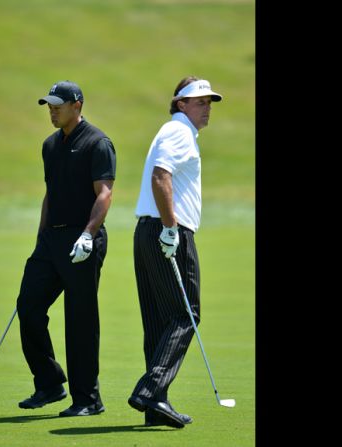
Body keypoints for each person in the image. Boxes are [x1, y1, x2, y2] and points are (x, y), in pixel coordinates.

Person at [15, 80, 116, 417]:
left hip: (83, 239)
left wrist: (89, 234)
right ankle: (48, 383)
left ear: (78, 105)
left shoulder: (98, 143)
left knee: (80, 320)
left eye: (58, 105)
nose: (52, 110)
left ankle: (88, 400)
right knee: (28, 307)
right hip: (50, 241)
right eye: (49, 105)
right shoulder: (49, 145)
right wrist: (41, 235)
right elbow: (51, 193)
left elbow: (104, 193)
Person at [127, 76, 223, 428]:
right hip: (169, 231)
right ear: (180, 104)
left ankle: (156, 405)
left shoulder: (174, 131)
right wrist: (170, 228)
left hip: (148, 231)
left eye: (209, 102)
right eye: (199, 102)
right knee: (186, 315)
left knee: (159, 321)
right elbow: (160, 177)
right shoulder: (179, 132)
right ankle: (151, 391)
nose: (206, 107)